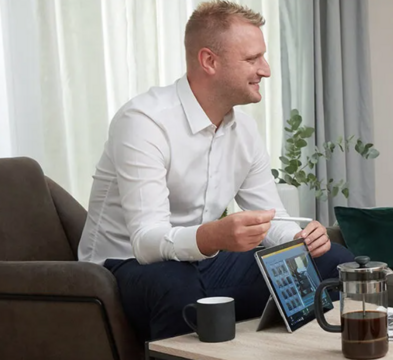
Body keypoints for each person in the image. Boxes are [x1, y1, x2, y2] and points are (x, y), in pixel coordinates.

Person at [77, 1, 354, 341]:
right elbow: (147, 240)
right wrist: (214, 236)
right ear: (209, 61)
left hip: (200, 261)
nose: (265, 70)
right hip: (123, 265)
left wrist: (300, 239)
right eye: (253, 59)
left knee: (334, 261)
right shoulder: (144, 122)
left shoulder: (245, 132)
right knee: (178, 287)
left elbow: (272, 219)